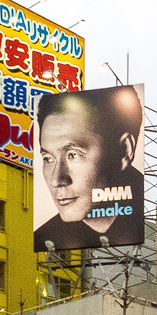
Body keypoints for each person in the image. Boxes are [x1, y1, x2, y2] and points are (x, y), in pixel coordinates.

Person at [34, 86, 145, 251]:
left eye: (73, 155)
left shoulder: (154, 220)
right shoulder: (45, 238)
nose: (56, 180)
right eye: (48, 158)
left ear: (124, 151)